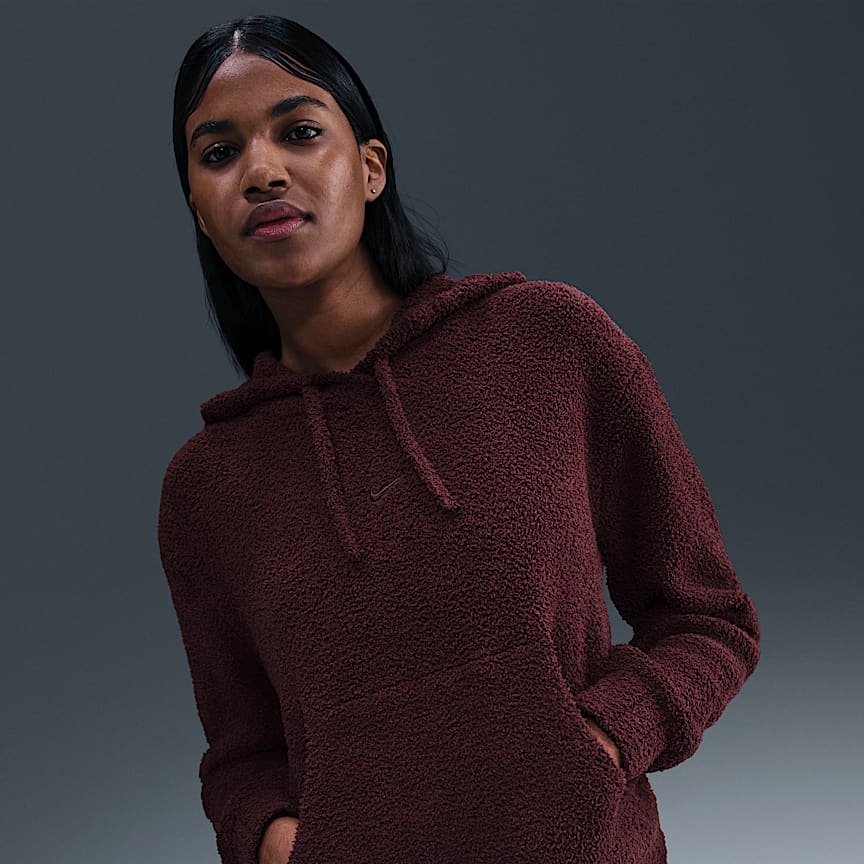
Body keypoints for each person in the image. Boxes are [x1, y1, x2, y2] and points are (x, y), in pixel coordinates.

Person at [158, 14, 761, 864]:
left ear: (371, 167)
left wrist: (603, 740)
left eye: (299, 132)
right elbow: (241, 760)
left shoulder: (549, 343)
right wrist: (281, 843)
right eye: (220, 152)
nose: (262, 172)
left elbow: (709, 618)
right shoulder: (207, 487)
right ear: (200, 208)